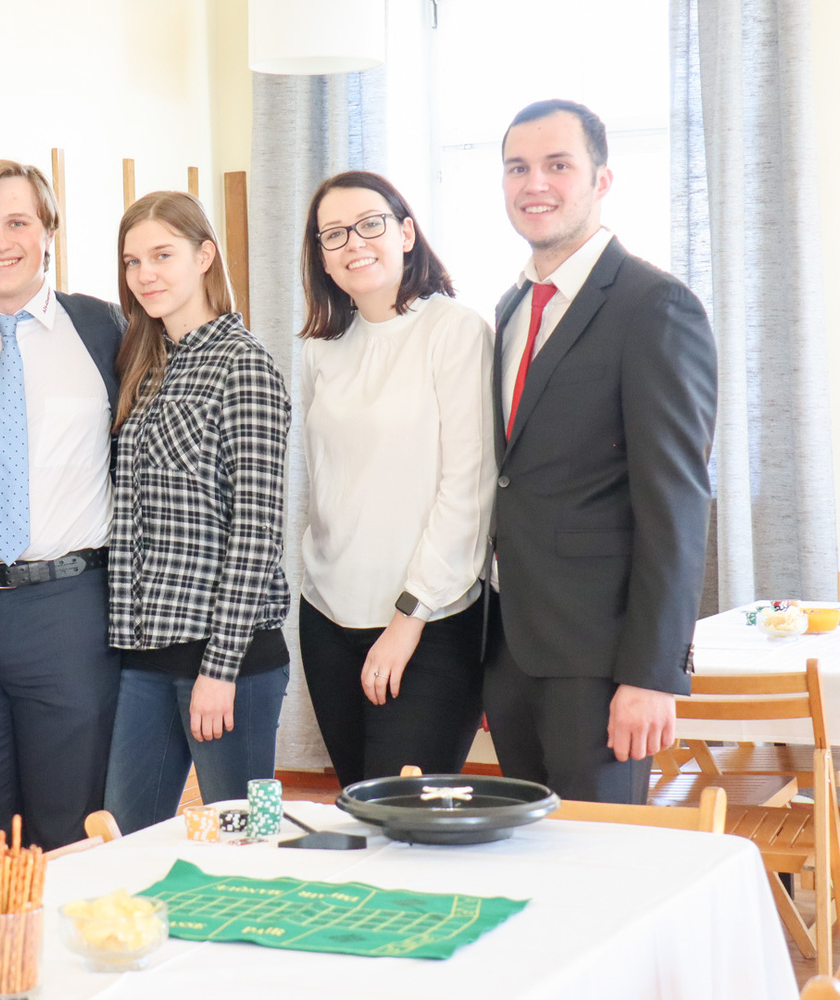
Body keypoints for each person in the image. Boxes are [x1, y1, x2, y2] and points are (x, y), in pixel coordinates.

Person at [487, 99, 717, 803]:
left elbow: (676, 505)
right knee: (522, 855)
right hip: (509, 650)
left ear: (602, 180)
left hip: (602, 661)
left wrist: (652, 675)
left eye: (558, 165)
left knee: (602, 854)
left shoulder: (656, 306)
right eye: (518, 168)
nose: (535, 184)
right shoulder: (509, 309)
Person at [0, 160, 124, 850]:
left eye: (17, 222)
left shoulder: (107, 329)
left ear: (48, 234)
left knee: (71, 830)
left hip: (72, 611)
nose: (0, 241)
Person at [296, 171, 494, 786]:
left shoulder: (455, 330)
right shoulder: (321, 349)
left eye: (370, 224)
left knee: (407, 818)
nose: (353, 242)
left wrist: (407, 618)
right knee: (358, 809)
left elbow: (469, 490)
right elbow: (324, 485)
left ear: (406, 233)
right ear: (321, 257)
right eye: (333, 234)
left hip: (429, 621)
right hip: (327, 617)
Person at [103, 191, 291, 834]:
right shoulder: (146, 365)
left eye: (162, 255)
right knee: (126, 842)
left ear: (205, 256)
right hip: (145, 658)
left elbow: (257, 531)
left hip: (231, 661)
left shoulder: (245, 364)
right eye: (132, 261)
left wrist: (221, 668)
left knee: (248, 840)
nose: (144, 274)